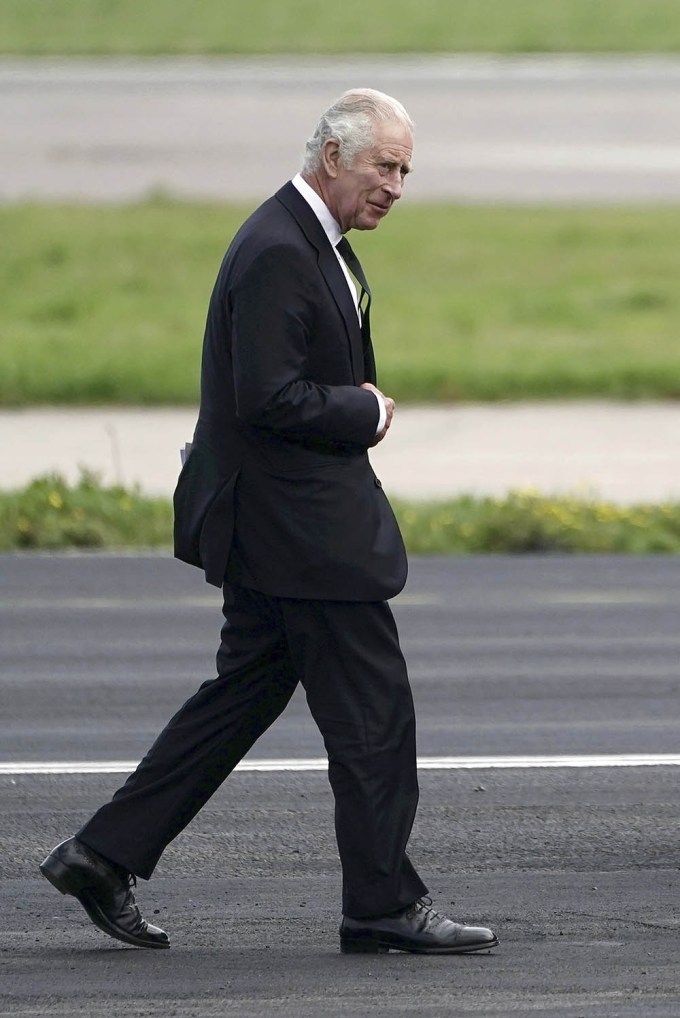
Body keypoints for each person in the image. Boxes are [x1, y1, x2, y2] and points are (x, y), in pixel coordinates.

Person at [40, 88, 499, 956]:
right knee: (374, 715)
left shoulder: (310, 240)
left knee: (242, 695)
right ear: (333, 156)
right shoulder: (278, 250)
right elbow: (269, 397)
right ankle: (382, 906)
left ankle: (101, 856)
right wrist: (362, 411)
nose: (397, 185)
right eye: (384, 166)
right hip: (300, 534)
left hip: (277, 524)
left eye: (406, 170)